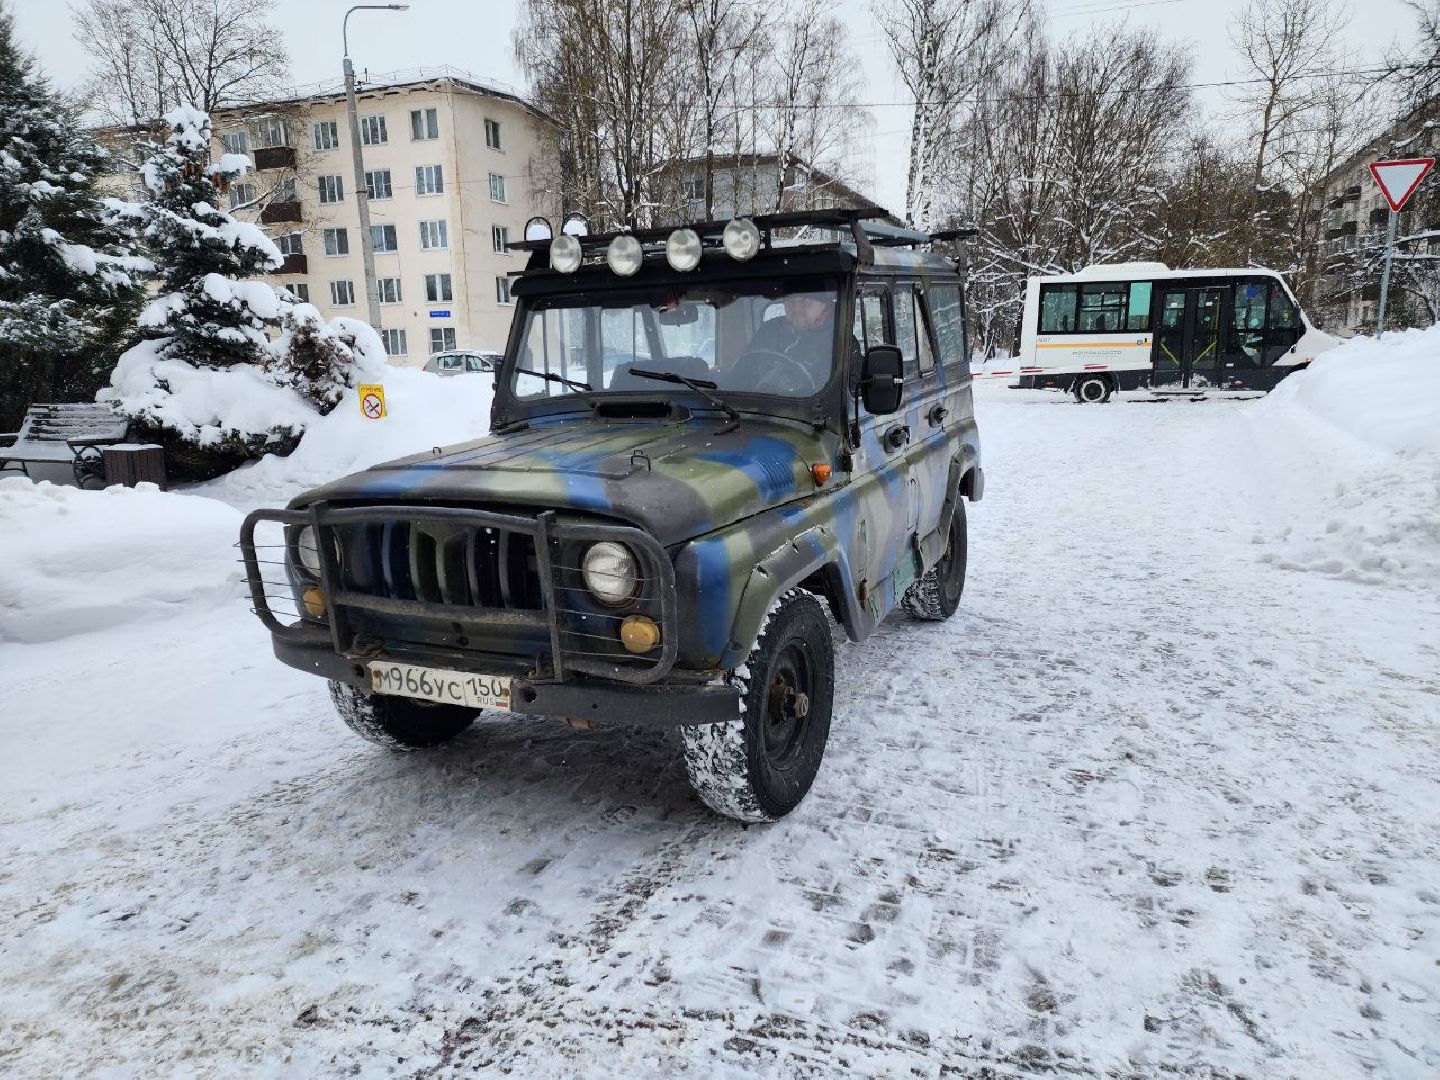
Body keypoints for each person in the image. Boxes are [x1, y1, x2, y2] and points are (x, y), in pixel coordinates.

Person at [739, 291, 838, 393]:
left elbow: (832, 394)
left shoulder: (839, 337)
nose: (796, 308)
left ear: (824, 304)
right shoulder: (770, 328)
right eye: (790, 300)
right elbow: (744, 369)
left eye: (805, 300)